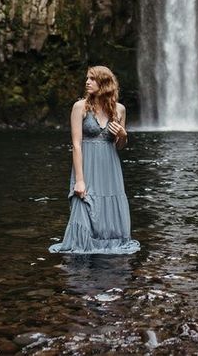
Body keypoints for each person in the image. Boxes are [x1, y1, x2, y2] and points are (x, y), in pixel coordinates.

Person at [49, 65, 140, 255]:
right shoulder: (79, 107)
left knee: (109, 202)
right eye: (87, 78)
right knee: (83, 200)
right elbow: (76, 144)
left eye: (92, 79)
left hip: (110, 166)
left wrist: (123, 135)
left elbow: (120, 145)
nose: (87, 82)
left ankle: (108, 245)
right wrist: (80, 180)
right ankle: (81, 251)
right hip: (87, 164)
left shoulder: (120, 110)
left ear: (104, 83)